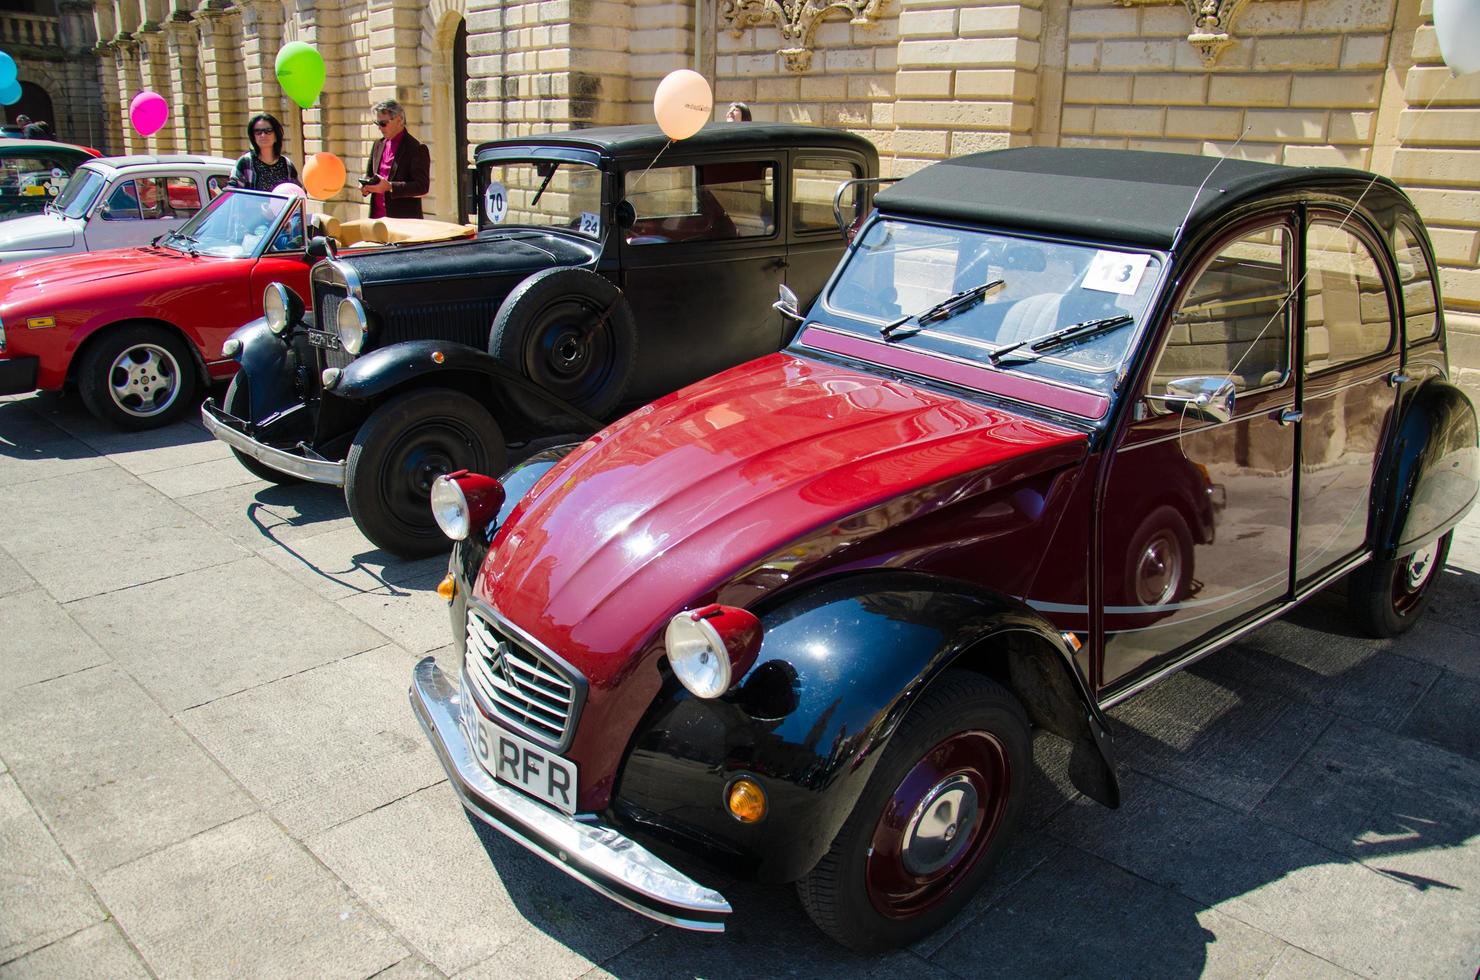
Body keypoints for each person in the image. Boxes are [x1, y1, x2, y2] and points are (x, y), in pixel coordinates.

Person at [360, 99, 429, 219]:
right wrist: (365, 186)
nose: (380, 128)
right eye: (377, 123)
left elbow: (422, 187)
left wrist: (390, 186)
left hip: (403, 222)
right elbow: (370, 175)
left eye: (383, 123)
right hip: (377, 220)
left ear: (398, 120)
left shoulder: (416, 148)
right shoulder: (378, 144)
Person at [227, 113, 300, 191]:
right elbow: (232, 191)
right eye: (258, 132)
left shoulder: (287, 165)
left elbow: (297, 193)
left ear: (276, 136)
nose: (263, 135)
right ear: (253, 137)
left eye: (268, 131)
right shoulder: (245, 162)